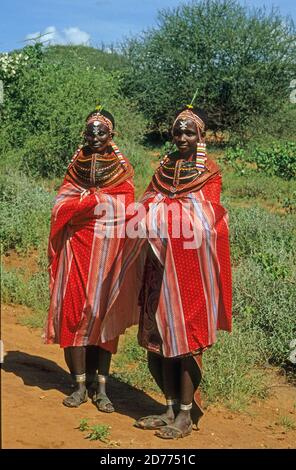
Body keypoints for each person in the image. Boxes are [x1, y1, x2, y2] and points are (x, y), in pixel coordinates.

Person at [105, 105, 232, 439]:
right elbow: (145, 203)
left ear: (201, 135)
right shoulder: (164, 168)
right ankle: (169, 407)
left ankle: (186, 416)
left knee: (184, 344)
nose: (182, 137)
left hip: (190, 271)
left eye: (189, 132)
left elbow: (206, 219)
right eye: (178, 131)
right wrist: (154, 211)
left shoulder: (210, 172)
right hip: (158, 268)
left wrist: (159, 212)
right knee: (155, 343)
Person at [44, 107, 135, 412]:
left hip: (108, 251)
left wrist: (90, 202)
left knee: (102, 316)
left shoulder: (123, 170)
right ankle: (79, 385)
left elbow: (124, 206)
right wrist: (91, 202)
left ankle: (102, 388)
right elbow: (61, 206)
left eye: (102, 131)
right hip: (76, 248)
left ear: (113, 135)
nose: (95, 137)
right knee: (73, 313)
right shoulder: (75, 167)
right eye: (90, 132)